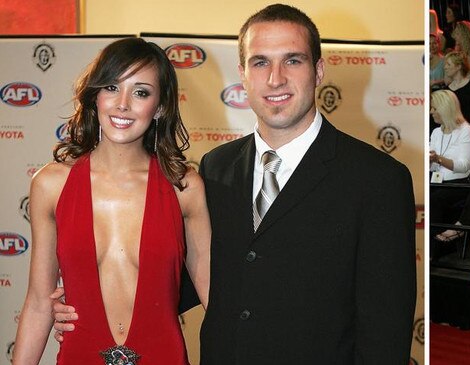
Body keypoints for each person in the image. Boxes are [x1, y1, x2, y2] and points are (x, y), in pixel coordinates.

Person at [54, 4, 417, 365]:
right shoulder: (216, 167)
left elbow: (385, 331)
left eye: (293, 60)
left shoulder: (378, 180)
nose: (275, 78)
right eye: (260, 62)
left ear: (319, 70)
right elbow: (182, 276)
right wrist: (85, 305)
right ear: (242, 74)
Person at [13, 37, 211, 364]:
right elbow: (38, 302)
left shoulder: (185, 187)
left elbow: (217, 305)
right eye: (111, 87)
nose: (122, 104)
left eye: (141, 92)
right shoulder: (51, 185)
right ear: (95, 97)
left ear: (160, 106)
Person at [429, 89, 470, 240]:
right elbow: (433, 167)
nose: (431, 112)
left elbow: (463, 166)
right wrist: (431, 161)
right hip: (439, 180)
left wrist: (438, 158)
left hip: (461, 183)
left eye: (434, 108)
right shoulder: (436, 133)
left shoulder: (466, 131)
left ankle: (433, 249)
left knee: (435, 199)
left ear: (445, 109)